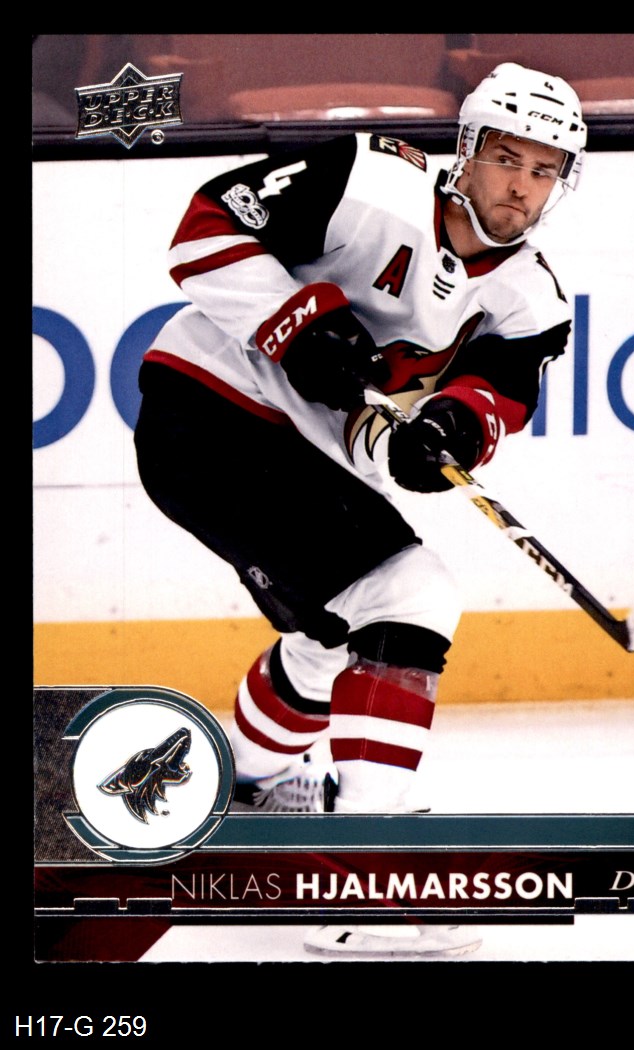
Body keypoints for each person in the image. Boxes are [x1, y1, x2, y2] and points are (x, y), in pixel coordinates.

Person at [134, 62, 586, 954]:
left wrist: (441, 435)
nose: (520, 186)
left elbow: (489, 399)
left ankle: (245, 788)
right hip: (209, 409)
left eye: (543, 170)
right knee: (409, 594)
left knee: (336, 636)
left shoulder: (532, 303)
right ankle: (368, 881)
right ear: (467, 150)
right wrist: (298, 321)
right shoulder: (368, 179)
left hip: (303, 452)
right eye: (506, 159)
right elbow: (203, 228)